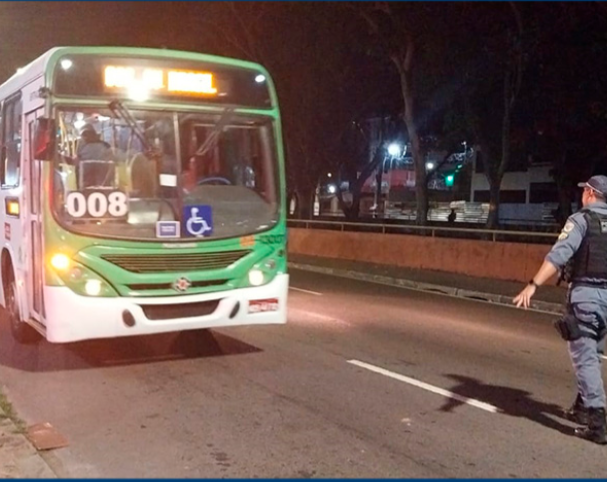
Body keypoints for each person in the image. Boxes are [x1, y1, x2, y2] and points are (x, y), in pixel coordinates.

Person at [513, 175, 607, 445]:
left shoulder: (581, 220)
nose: (582, 196)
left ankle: (597, 421)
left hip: (586, 296)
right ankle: (581, 408)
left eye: (584, 191)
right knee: (594, 353)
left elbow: (559, 255)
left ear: (590, 193)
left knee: (584, 357)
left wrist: (533, 284)